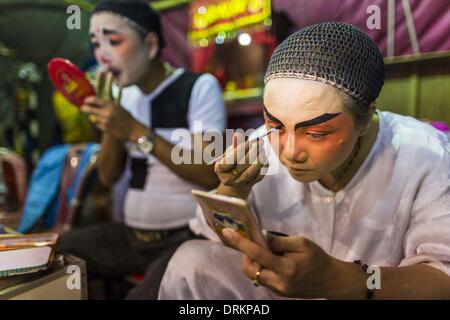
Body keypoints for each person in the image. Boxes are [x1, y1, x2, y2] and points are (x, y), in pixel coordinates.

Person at [158, 22, 450, 300]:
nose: (289, 151)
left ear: (365, 118)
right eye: (276, 125)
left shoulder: (426, 156)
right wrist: (233, 193)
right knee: (191, 259)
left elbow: (443, 277)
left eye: (316, 133)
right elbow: (216, 235)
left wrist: (342, 279)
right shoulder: (260, 145)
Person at [57, 0, 226, 299]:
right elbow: (109, 176)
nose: (101, 54)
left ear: (150, 44)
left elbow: (209, 174)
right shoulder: (126, 96)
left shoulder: (198, 88)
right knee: (55, 256)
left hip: (185, 237)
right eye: (96, 43)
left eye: (114, 40)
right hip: (130, 236)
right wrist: (111, 122)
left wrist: (136, 131)